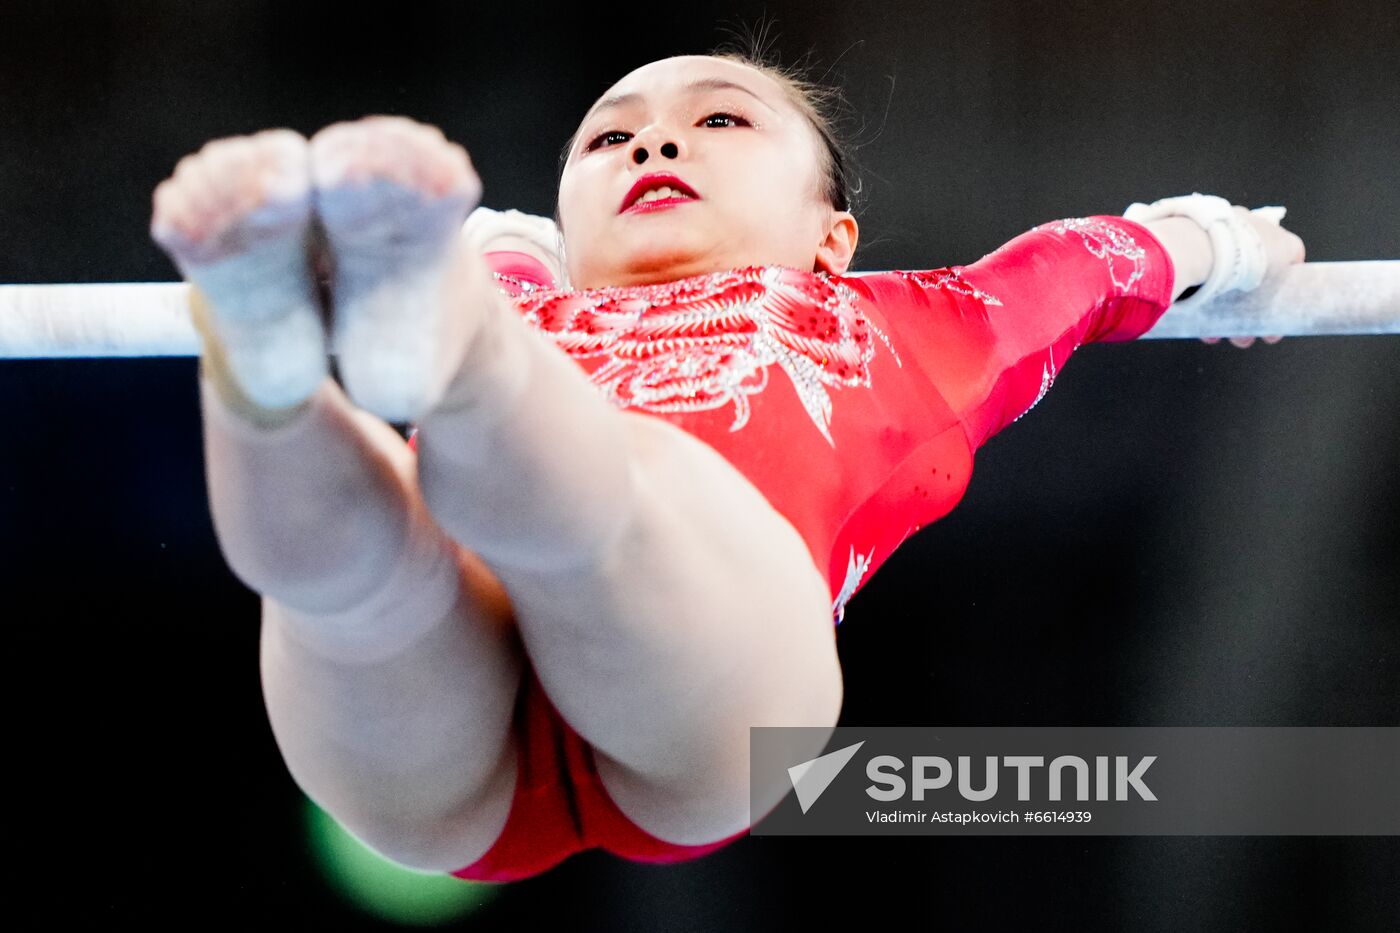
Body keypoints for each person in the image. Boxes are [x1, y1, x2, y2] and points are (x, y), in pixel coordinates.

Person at [148, 49, 1307, 883]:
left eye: (722, 122)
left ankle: (411, 372)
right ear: (565, 220)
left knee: (608, 489)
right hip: (449, 728)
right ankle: (260, 357)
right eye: (608, 136)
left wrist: (1232, 245)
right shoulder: (520, 299)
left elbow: (1091, 262)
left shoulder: (903, 322)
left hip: (705, 702)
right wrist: (488, 256)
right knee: (352, 589)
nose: (653, 140)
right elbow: (504, 252)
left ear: (830, 236)